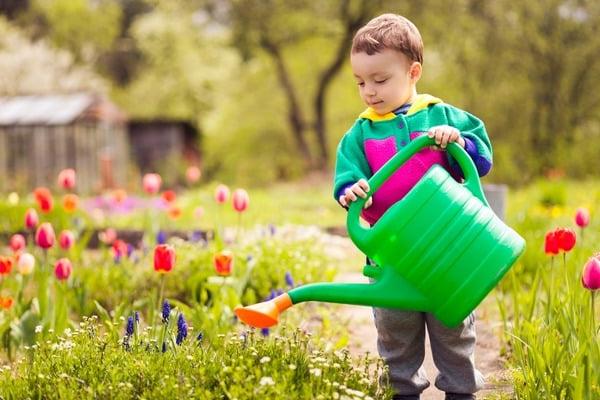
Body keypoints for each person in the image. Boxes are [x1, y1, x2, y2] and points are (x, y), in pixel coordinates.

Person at [333, 13, 492, 400]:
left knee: (453, 328)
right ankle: (402, 392)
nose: (369, 91)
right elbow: (346, 177)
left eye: (380, 80)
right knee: (395, 332)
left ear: (413, 71)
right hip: (392, 250)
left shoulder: (441, 116)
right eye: (360, 82)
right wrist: (351, 190)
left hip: (446, 247)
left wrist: (458, 142)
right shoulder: (361, 132)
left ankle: (461, 392)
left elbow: (481, 160)